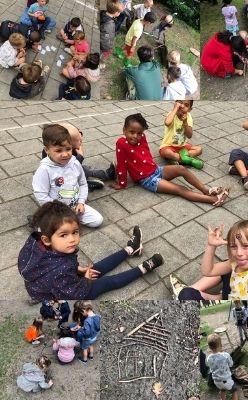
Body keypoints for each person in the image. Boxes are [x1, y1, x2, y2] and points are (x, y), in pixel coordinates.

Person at [18, 201, 164, 300]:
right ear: (46, 239)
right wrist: (86, 280)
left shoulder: (35, 243)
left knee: (94, 269)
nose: (72, 239)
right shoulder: (61, 269)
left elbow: (51, 269)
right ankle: (143, 268)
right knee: (106, 282)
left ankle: (131, 248)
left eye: (75, 232)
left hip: (52, 284)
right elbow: (75, 294)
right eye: (63, 235)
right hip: (64, 295)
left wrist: (76, 269)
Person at [110, 113, 229, 205]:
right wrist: (122, 184)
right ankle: (213, 200)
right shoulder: (121, 143)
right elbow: (121, 164)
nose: (136, 136)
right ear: (124, 130)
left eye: (139, 133)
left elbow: (145, 154)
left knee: (181, 169)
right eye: (131, 132)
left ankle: (206, 191)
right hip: (147, 180)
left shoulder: (143, 137)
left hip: (156, 170)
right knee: (180, 189)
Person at [177, 220, 248, 301]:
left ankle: (218, 297)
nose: (239, 253)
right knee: (187, 292)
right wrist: (211, 246)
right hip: (232, 293)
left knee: (185, 295)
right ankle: (218, 296)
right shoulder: (235, 263)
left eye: (245, 246)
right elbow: (207, 271)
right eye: (233, 246)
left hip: (237, 307)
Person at [32, 124, 103, 226]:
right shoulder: (44, 170)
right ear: (47, 150)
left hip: (75, 206)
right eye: (58, 150)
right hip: (56, 210)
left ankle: (68, 218)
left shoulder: (75, 163)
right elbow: (41, 196)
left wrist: (81, 202)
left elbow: (83, 184)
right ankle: (40, 219)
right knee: (57, 227)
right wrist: (61, 210)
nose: (65, 154)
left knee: (97, 220)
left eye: (68, 149)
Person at [40, 122, 115, 191]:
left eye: (80, 134)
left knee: (86, 169)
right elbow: (71, 167)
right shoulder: (58, 154)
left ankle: (103, 175)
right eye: (79, 140)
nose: (81, 139)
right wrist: (80, 156)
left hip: (69, 170)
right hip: (63, 176)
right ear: (70, 143)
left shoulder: (62, 147)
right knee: (86, 171)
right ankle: (86, 183)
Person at [159, 100, 202, 167]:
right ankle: (188, 160)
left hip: (182, 147)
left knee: (199, 149)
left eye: (186, 105)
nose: (182, 106)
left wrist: (185, 123)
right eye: (180, 103)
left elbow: (189, 135)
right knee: (167, 152)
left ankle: (180, 158)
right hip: (168, 146)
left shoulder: (188, 117)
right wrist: (175, 108)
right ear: (175, 103)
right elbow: (167, 123)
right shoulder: (172, 114)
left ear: (189, 109)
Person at [206, 333, 239, 400]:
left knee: (222, 390)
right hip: (226, 380)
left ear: (209, 347)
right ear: (220, 345)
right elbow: (231, 364)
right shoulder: (225, 355)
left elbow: (210, 367)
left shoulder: (208, 358)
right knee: (234, 390)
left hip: (216, 381)